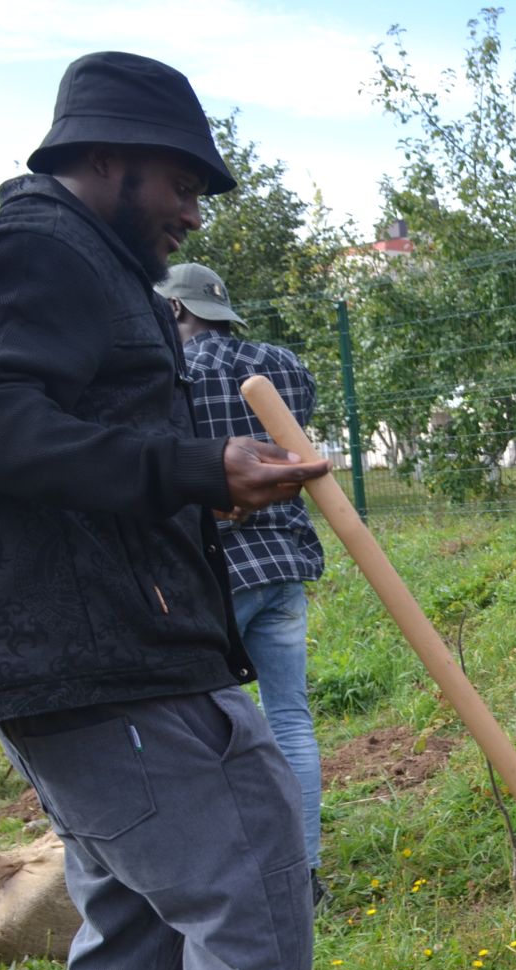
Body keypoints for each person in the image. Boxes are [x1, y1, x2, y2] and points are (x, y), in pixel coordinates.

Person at [0, 52, 405, 970]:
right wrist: (195, 471)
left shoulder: (93, 270)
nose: (194, 208)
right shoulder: (38, 252)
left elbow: (73, 451)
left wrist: (199, 502)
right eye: (183, 180)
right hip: (96, 662)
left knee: (129, 917)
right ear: (112, 159)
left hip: (99, 644)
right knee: (252, 877)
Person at [158, 262, 328, 905]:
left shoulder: (176, 377)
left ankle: (237, 881)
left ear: (176, 311)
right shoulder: (283, 364)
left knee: (205, 732)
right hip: (284, 560)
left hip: (216, 567)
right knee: (290, 719)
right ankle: (304, 875)